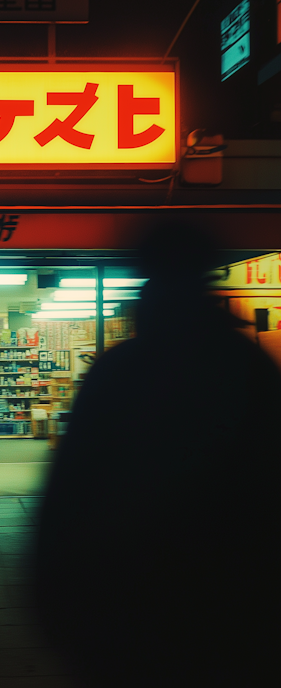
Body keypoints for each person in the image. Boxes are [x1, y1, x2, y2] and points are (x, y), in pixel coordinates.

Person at [35, 221, 281, 688]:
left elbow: (69, 496)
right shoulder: (250, 369)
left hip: (128, 609)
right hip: (230, 614)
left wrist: (57, 604)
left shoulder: (118, 372)